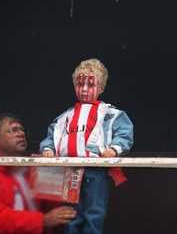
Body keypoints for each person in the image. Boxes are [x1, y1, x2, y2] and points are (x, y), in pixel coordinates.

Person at [40, 58, 134, 234]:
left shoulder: (110, 113)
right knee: (71, 213)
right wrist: (48, 149)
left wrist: (114, 148)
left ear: (101, 88)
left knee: (94, 212)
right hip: (70, 170)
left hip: (95, 168)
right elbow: (51, 136)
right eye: (79, 84)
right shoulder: (65, 117)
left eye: (90, 86)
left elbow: (124, 132)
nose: (84, 90)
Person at [0, 113, 76, 234]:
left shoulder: (31, 170)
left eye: (22, 130)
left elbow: (56, 213)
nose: (22, 133)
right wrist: (42, 220)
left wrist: (55, 173)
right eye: (13, 130)